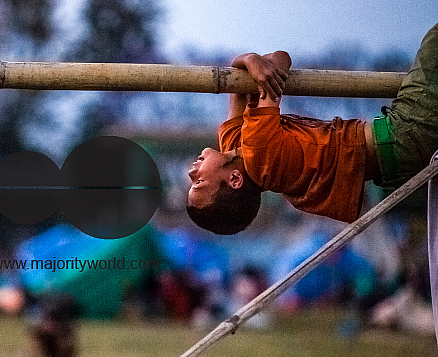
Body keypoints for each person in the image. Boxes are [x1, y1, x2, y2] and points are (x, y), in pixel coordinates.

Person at [187, 23, 438, 235]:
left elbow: (235, 82)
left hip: (398, 151)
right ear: (234, 179)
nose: (190, 171)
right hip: (401, 136)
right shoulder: (260, 153)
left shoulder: (235, 147)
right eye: (198, 181)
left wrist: (247, 61)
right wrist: (253, 60)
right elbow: (281, 59)